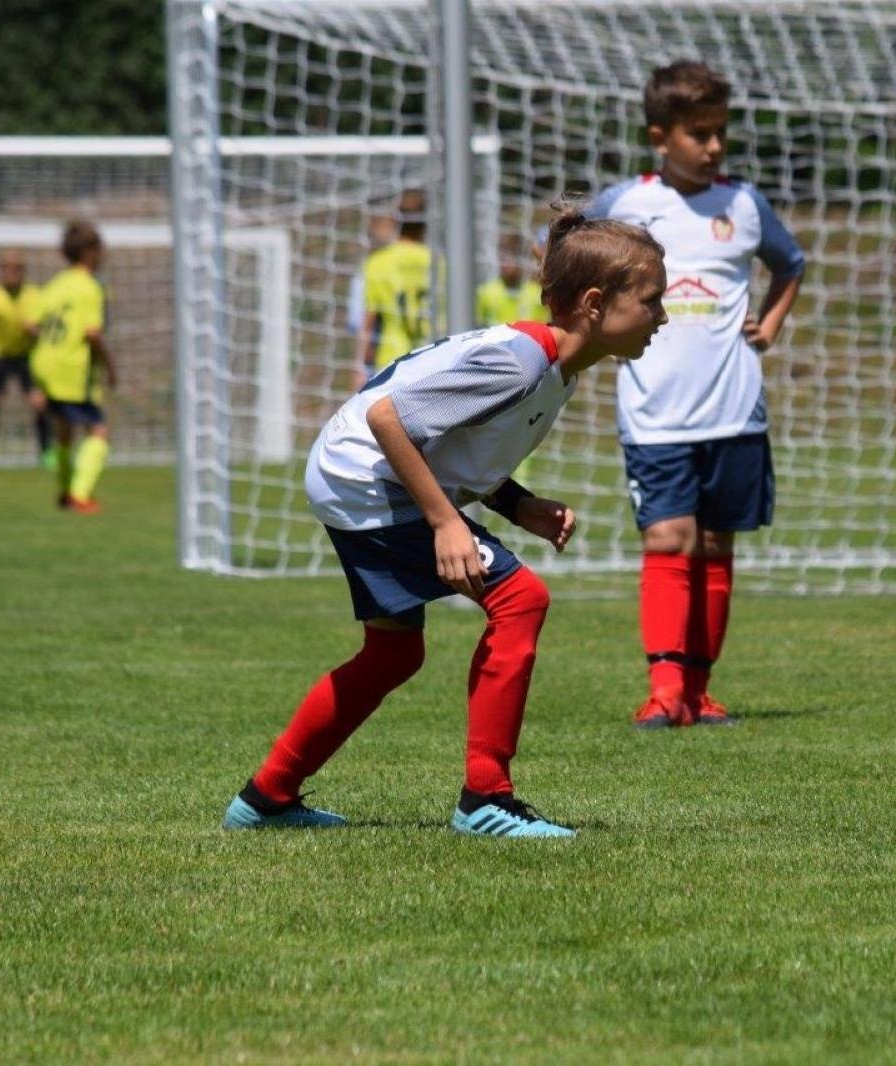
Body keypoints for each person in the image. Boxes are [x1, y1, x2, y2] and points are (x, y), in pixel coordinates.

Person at [221, 207, 667, 837]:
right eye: (652, 301)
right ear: (595, 304)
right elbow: (389, 420)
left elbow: (455, 450)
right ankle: (486, 798)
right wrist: (445, 524)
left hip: (353, 474)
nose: (663, 317)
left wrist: (518, 505)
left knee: (394, 653)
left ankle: (265, 798)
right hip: (366, 478)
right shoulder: (522, 362)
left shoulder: (554, 370)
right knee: (520, 600)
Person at [589, 60, 805, 729]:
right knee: (667, 538)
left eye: (720, 134)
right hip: (655, 407)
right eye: (698, 135)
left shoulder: (742, 205)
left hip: (734, 406)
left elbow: (790, 263)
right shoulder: (624, 205)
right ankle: (664, 690)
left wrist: (766, 325)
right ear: (661, 136)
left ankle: (700, 692)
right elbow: (565, 252)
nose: (713, 148)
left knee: (714, 544)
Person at [29, 221, 117, 514]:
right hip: (71, 368)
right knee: (98, 430)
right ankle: (80, 495)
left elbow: (30, 323)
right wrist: (110, 365)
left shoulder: (55, 284)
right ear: (90, 252)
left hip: (45, 364)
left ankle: (65, 492)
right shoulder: (89, 286)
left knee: (64, 430)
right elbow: (92, 333)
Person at [0, 249, 50, 470]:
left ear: (23, 271)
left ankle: (46, 452)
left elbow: (43, 322)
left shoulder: (34, 294)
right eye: (7, 269)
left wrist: (36, 330)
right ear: (0, 270)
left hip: (26, 355)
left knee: (39, 403)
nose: (11, 273)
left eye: (16, 269)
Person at [357, 188, 431, 392]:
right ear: (425, 224)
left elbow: (368, 322)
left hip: (393, 363)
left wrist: (360, 367)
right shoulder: (438, 263)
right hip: (434, 360)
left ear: (398, 221)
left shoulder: (378, 263)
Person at [344, 214, 398, 394]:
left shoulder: (370, 272)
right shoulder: (370, 273)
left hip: (383, 363)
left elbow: (364, 322)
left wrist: (360, 366)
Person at [476, 229, 549, 327]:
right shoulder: (486, 292)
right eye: (504, 258)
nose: (508, 264)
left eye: (513, 257)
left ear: (521, 259)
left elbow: (546, 326)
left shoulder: (536, 293)